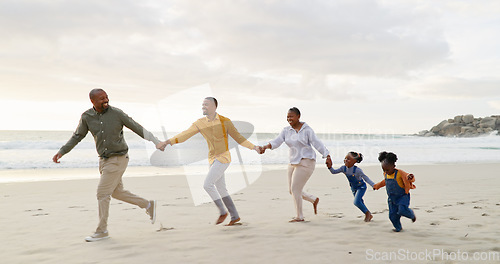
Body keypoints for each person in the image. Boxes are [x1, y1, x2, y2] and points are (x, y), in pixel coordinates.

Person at [53, 88, 164, 242]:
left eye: (106, 97)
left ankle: (102, 230)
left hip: (118, 159)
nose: (105, 100)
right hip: (104, 160)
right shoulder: (87, 117)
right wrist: (62, 151)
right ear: (92, 101)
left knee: (102, 194)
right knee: (117, 192)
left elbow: (136, 127)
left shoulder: (117, 113)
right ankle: (148, 205)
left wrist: (156, 141)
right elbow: (77, 136)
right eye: (101, 98)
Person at [157, 97, 261, 226]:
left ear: (214, 106)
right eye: (202, 105)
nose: (203, 107)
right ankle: (235, 216)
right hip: (212, 159)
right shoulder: (200, 123)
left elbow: (239, 138)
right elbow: (185, 135)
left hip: (223, 158)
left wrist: (254, 147)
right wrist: (167, 142)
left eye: (206, 104)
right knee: (222, 189)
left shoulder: (225, 121)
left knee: (207, 184)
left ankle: (223, 211)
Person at [260, 107, 332, 222]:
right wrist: (265, 146)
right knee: (292, 190)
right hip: (293, 162)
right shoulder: (286, 130)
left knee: (295, 189)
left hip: (306, 161)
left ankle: (299, 216)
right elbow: (276, 141)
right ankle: (313, 199)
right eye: (287, 116)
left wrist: (327, 155)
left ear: (298, 116)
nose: (289, 119)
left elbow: (317, 143)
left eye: (291, 116)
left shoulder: (307, 130)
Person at [373, 151, 416, 232]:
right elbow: (384, 182)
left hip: (402, 196)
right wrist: (377, 186)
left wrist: (410, 177)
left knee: (402, 210)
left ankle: (411, 215)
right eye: (384, 170)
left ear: (394, 166)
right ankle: (398, 228)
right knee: (392, 216)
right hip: (392, 199)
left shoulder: (400, 173)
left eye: (387, 169)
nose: (385, 171)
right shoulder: (386, 174)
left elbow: (408, 177)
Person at [328, 152, 375, 222]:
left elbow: (366, 178)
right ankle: (368, 214)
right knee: (360, 202)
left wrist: (373, 185)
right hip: (353, 188)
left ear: (355, 161)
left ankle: (367, 213)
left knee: (356, 202)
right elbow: (334, 172)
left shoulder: (357, 170)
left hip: (361, 187)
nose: (346, 160)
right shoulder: (343, 168)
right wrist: (329, 166)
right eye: (345, 158)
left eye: (348, 159)